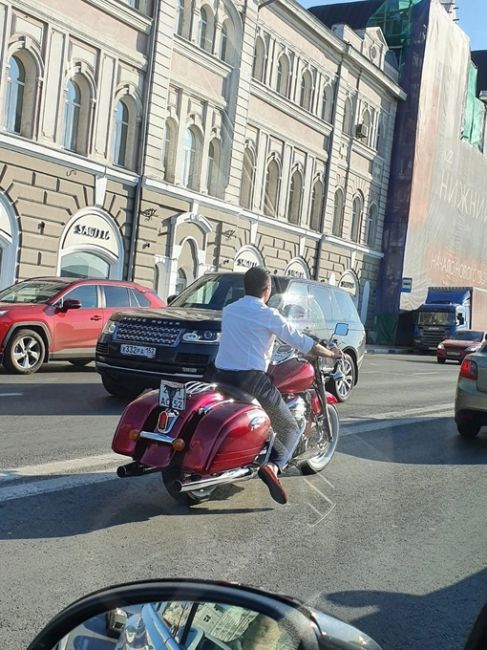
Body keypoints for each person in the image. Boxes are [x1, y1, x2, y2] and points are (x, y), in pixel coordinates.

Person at [212, 267, 341, 505]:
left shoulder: (229, 309)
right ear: (267, 289)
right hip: (250, 380)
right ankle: (274, 465)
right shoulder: (268, 314)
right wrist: (330, 354)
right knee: (290, 426)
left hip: (220, 376)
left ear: (245, 287)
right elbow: (304, 344)